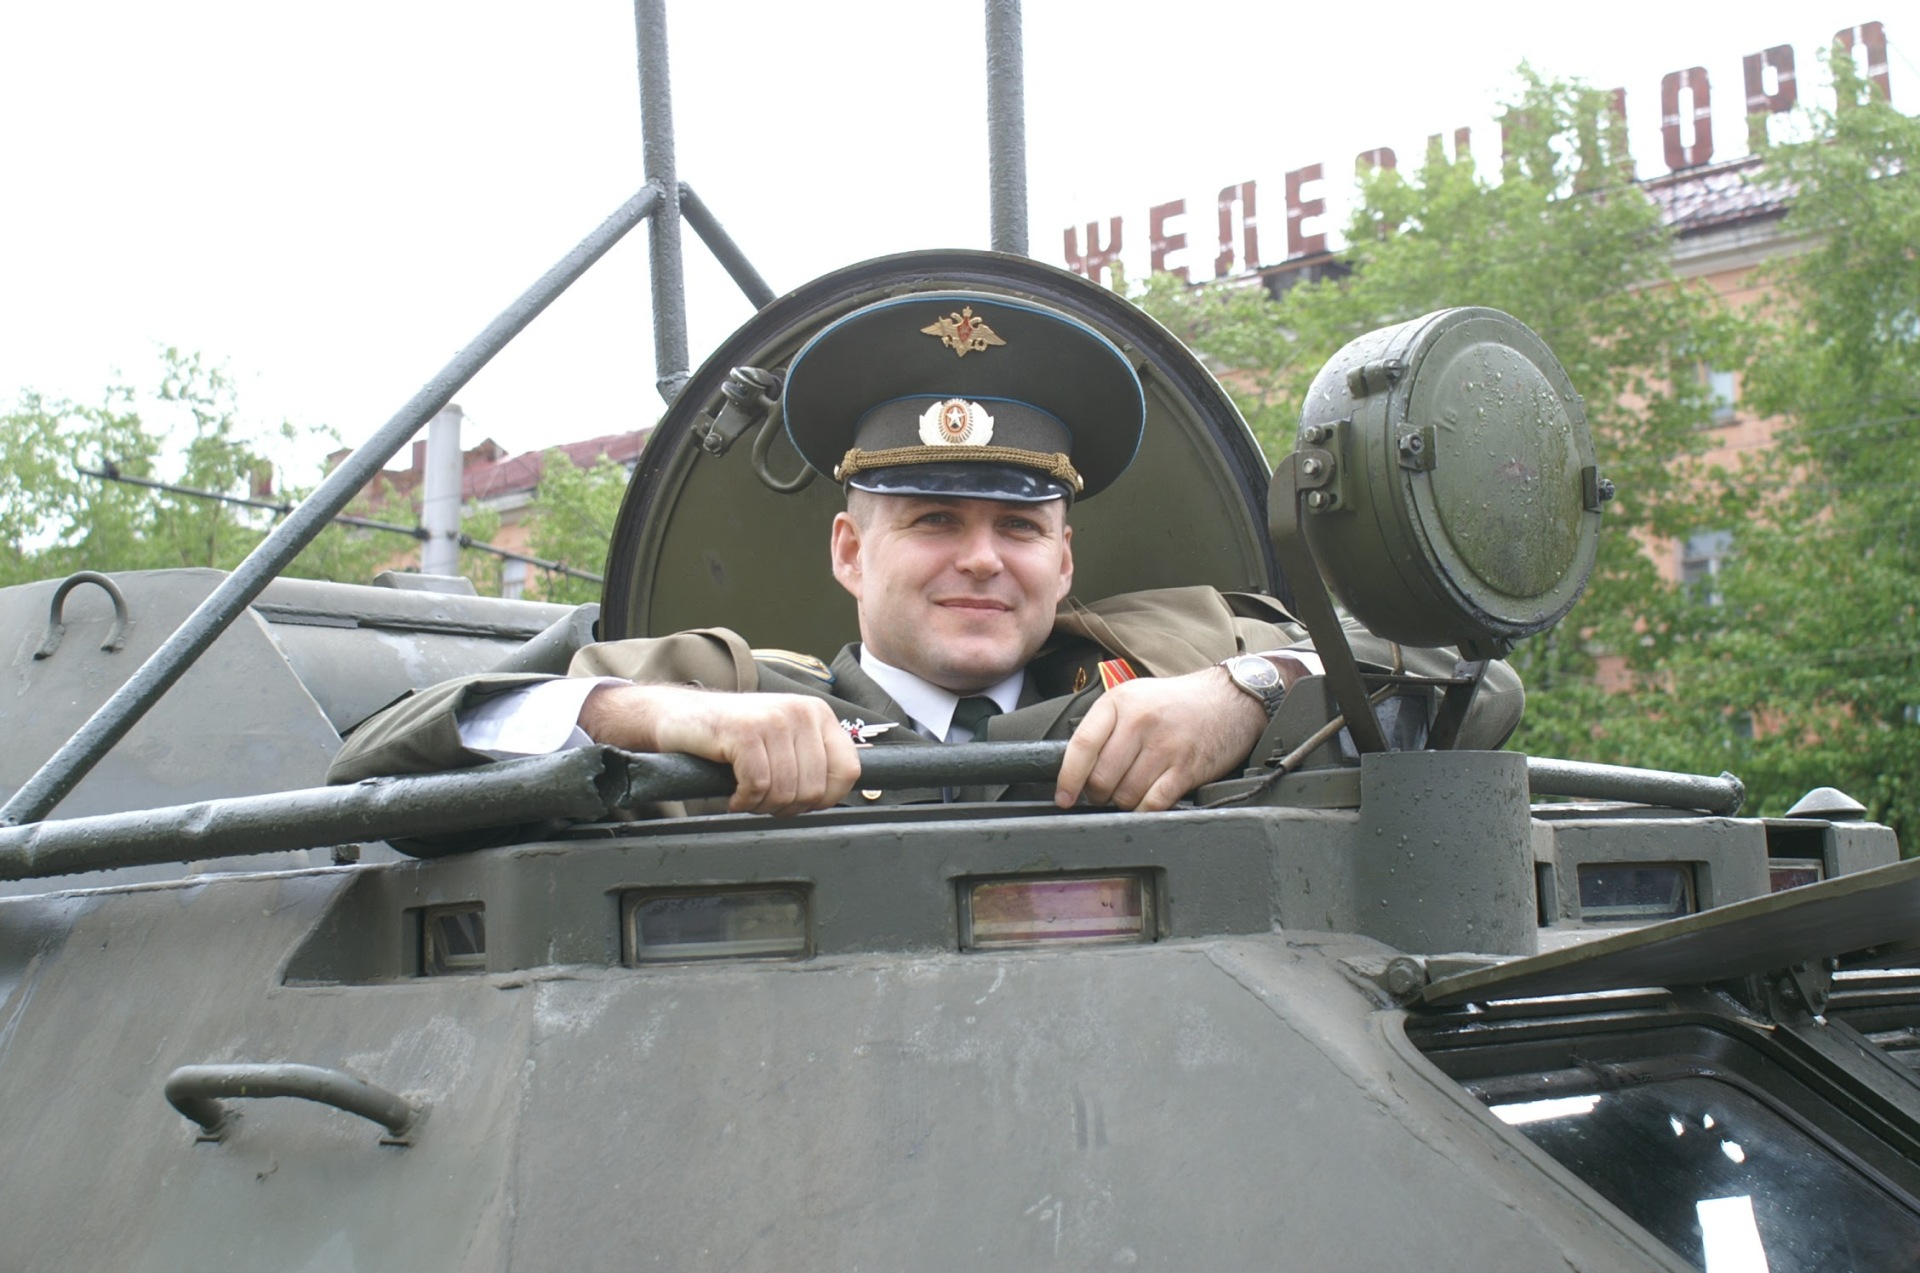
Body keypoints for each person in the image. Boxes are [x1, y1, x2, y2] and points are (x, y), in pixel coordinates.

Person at [328, 291, 1520, 815]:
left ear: (1065, 558)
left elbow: (1471, 679)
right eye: (934, 521)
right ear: (851, 550)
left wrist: (1247, 691)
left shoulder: (1183, 644)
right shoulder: (737, 685)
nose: (983, 560)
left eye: (1019, 527)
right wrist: (663, 722)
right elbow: (389, 753)